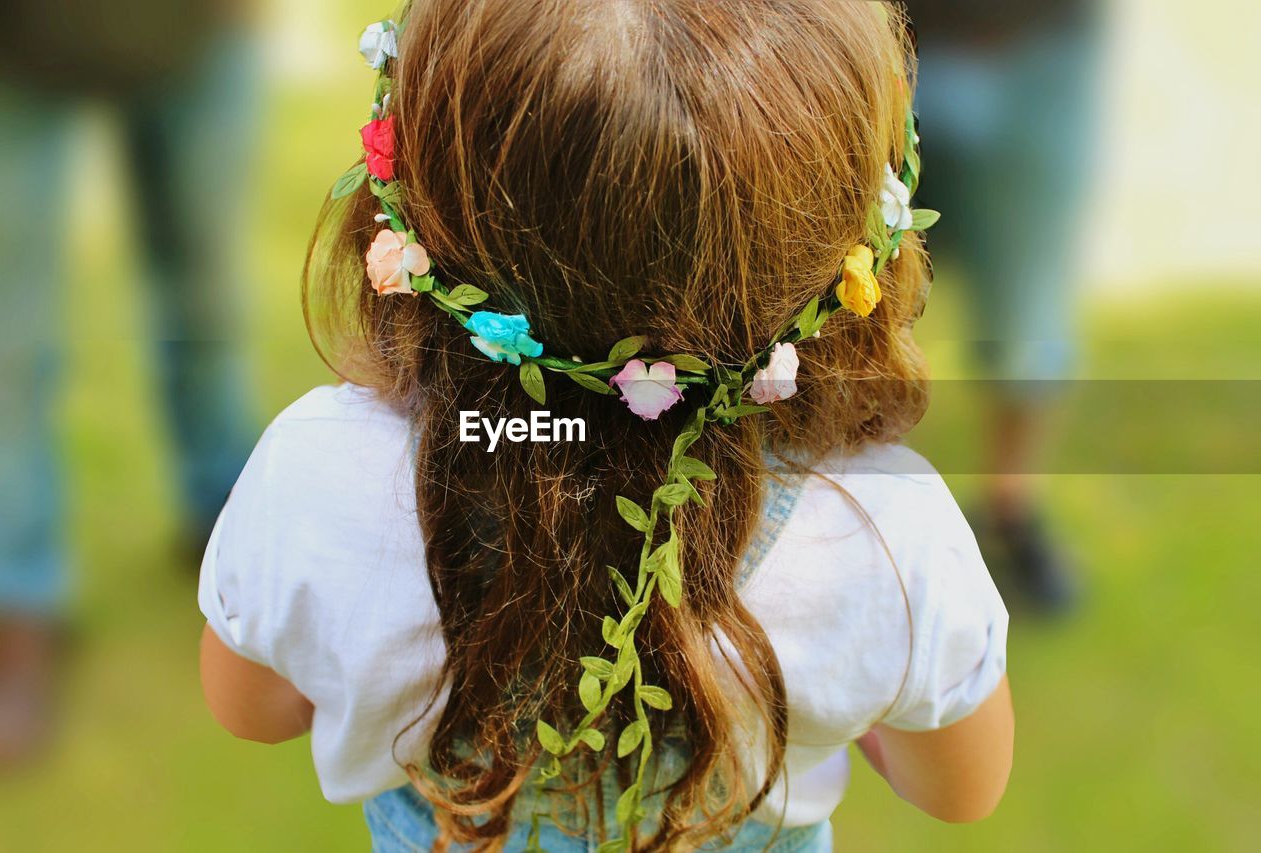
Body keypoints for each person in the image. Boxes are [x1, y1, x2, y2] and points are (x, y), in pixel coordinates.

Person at [198, 2, 1013, 850]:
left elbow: (250, 708)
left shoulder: (317, 476)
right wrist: (842, 686)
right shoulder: (883, 533)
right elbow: (961, 785)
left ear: (418, 187)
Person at [0, 1, 259, 764]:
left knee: (205, 296)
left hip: (194, 32)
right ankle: (9, 603)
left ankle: (233, 523)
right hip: (4, 51)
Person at [907, 0, 1103, 612]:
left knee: (1029, 307)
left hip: (1039, 48)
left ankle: (1009, 512)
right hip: (891, 39)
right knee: (847, 281)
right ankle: (820, 506)